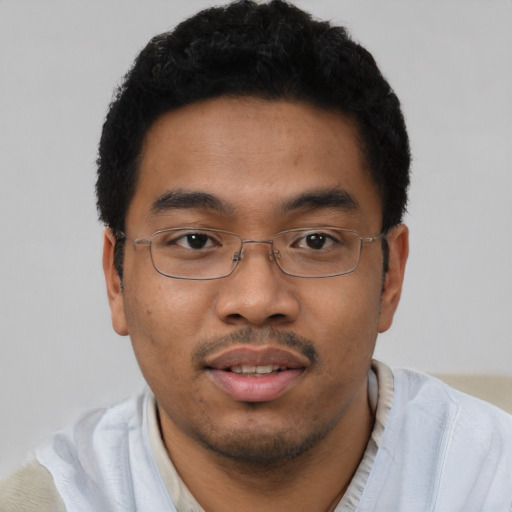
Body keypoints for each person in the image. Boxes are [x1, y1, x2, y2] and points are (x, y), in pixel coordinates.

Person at [1, 1, 510, 510]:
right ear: (116, 280)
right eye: (195, 241)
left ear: (390, 276)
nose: (257, 298)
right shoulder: (52, 501)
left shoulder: (488, 483)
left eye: (315, 241)